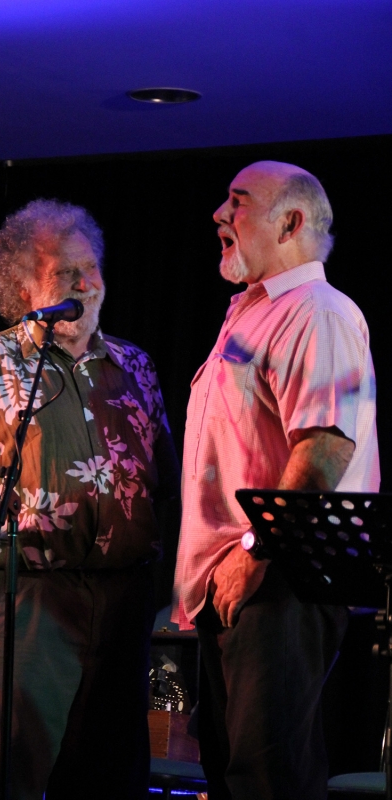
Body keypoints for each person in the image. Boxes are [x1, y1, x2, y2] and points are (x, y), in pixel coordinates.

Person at [0, 199, 180, 800]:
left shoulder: (135, 366)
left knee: (112, 772)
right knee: (6, 767)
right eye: (65, 272)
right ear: (23, 287)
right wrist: (0, 563)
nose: (85, 283)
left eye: (91, 268)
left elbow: (163, 481)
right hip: (28, 600)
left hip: (124, 599)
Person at [172, 160, 379, 799]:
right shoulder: (253, 315)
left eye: (237, 202)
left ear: (289, 223)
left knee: (268, 781)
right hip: (239, 583)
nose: (219, 214)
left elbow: (324, 448)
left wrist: (257, 552)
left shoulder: (316, 311)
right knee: (234, 776)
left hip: (279, 577)